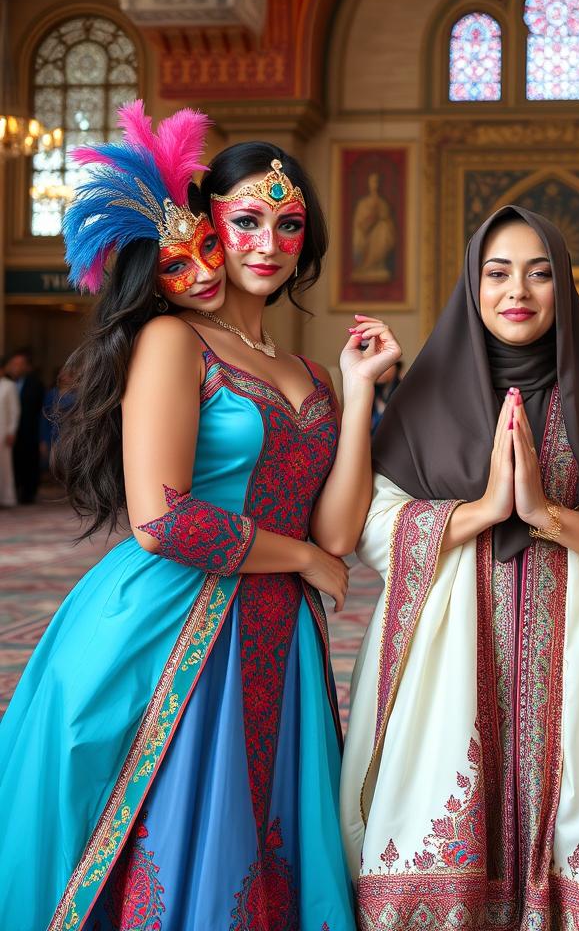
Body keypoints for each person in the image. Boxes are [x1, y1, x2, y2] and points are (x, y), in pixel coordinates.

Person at [0, 111, 385, 931]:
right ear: (210, 223)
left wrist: (358, 397)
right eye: (244, 221)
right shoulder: (174, 340)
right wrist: (307, 564)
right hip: (172, 615)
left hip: (279, 635)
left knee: (266, 833)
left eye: (288, 224)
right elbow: (162, 521)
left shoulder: (311, 370)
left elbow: (341, 534)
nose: (267, 242)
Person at [341, 205, 579, 929]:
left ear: (563, 288)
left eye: (538, 273)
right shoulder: (421, 398)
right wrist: (486, 509)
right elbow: (369, 526)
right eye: (497, 273)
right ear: (474, 284)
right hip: (448, 661)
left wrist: (552, 517)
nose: (516, 291)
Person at [3, 348, 44, 503]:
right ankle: (15, 490)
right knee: (15, 463)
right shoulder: (7, 383)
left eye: (19, 364)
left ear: (27, 366)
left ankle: (28, 493)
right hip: (11, 431)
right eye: (14, 364)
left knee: (29, 462)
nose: (16, 367)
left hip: (29, 430)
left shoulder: (35, 384)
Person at [0, 362, 19, 507]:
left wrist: (12, 430)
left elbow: (14, 410)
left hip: (3, 432)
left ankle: (6, 498)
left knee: (4, 466)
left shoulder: (9, 385)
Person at [370, 358, 402, 433]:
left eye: (384, 367)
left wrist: (384, 411)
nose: (380, 371)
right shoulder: (376, 388)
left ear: (394, 366)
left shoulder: (401, 387)